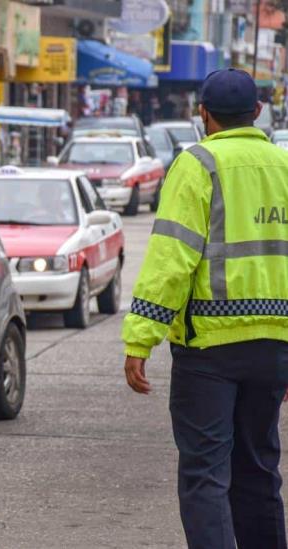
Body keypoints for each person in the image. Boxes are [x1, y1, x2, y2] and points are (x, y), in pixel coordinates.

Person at [122, 68, 288, 548]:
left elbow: (171, 258)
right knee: (259, 469)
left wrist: (140, 338)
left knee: (206, 475)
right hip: (273, 347)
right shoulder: (282, 167)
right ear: (257, 111)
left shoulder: (198, 163)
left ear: (204, 114)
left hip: (210, 352)